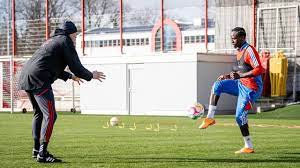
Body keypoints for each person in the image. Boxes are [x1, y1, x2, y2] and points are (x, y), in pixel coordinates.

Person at [19, 21, 106, 163]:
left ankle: (36, 150)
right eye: (75, 35)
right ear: (70, 33)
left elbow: (51, 64)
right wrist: (91, 75)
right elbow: (76, 65)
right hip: (39, 79)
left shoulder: (53, 40)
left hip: (27, 76)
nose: (76, 38)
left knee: (39, 113)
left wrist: (71, 76)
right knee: (51, 115)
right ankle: (43, 153)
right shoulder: (65, 41)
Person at [199, 27, 263, 154]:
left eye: (234, 38)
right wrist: (229, 76)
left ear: (243, 38)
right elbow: (242, 70)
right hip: (240, 84)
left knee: (239, 116)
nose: (232, 41)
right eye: (231, 38)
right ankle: (210, 118)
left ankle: (248, 146)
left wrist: (241, 76)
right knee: (218, 85)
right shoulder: (239, 51)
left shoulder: (249, 50)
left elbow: (259, 69)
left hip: (252, 89)